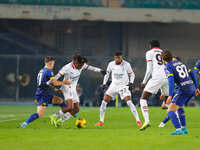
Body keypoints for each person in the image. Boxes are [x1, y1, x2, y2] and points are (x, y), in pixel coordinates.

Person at [50, 54, 106, 127]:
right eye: (80, 65)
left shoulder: (82, 65)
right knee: (70, 107)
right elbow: (56, 77)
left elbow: (91, 68)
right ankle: (54, 116)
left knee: (76, 109)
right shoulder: (67, 68)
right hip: (66, 87)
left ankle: (60, 121)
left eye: (82, 66)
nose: (81, 67)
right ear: (75, 63)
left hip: (73, 89)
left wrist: (100, 70)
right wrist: (49, 83)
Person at [21, 56, 71, 128]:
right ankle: (25, 123)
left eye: (53, 64)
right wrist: (64, 82)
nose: (52, 65)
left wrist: (55, 90)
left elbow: (45, 84)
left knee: (59, 100)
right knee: (40, 114)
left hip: (43, 93)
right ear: (48, 63)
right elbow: (55, 83)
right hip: (43, 95)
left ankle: (70, 112)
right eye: (52, 64)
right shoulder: (49, 71)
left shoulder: (42, 70)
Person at [96, 52, 142, 127]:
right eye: (116, 58)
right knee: (104, 102)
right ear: (114, 58)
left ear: (121, 57)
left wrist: (131, 83)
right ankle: (101, 121)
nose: (117, 59)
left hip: (123, 86)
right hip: (113, 85)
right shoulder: (110, 64)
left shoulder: (127, 64)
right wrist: (104, 83)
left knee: (129, 102)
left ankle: (138, 121)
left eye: (119, 58)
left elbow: (132, 74)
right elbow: (107, 74)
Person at [161, 50, 199, 135]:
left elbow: (170, 81)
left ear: (163, 59)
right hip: (191, 88)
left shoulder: (167, 67)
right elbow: (192, 73)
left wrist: (170, 95)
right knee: (179, 107)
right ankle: (184, 128)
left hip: (183, 90)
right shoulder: (180, 63)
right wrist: (196, 87)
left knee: (170, 111)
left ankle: (178, 130)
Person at [139, 40, 169, 130]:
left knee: (143, 98)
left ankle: (146, 121)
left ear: (150, 46)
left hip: (157, 77)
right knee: (168, 101)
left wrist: (144, 81)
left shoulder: (149, 52)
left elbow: (149, 69)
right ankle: (179, 121)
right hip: (167, 77)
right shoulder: (164, 52)